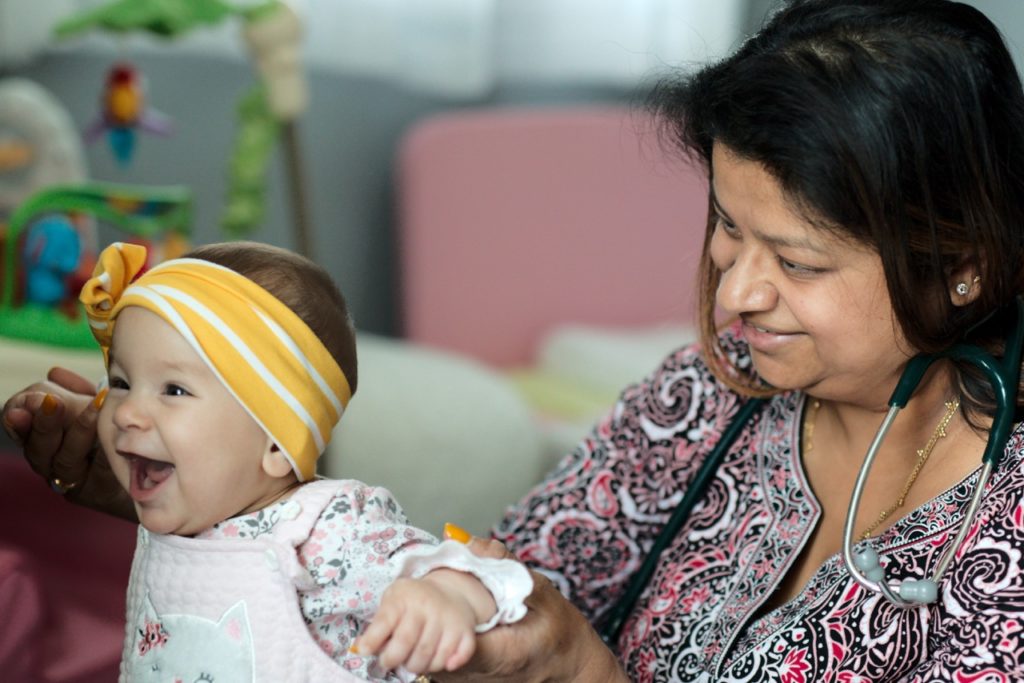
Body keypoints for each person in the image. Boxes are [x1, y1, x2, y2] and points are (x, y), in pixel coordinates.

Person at [7, 0, 1024, 680]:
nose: (736, 291)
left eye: (797, 261)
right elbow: (480, 578)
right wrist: (198, 484)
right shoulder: (707, 395)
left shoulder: (1001, 537)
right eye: (725, 225)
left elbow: (554, 639)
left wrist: (577, 663)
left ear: (960, 264)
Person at [17, 240, 533, 682]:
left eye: (173, 389)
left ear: (274, 444)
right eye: (123, 382)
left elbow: (485, 571)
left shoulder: (323, 530)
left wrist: (448, 597)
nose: (128, 412)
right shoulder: (195, 510)